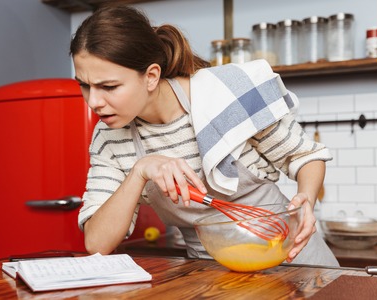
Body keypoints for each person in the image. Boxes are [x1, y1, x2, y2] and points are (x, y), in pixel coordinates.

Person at [71, 5, 339, 266]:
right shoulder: (109, 138)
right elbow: (97, 243)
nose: (93, 101)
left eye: (109, 86)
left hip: (295, 259)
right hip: (211, 276)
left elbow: (304, 155)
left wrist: (307, 197)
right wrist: (140, 171)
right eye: (84, 85)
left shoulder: (225, 94)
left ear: (151, 76)